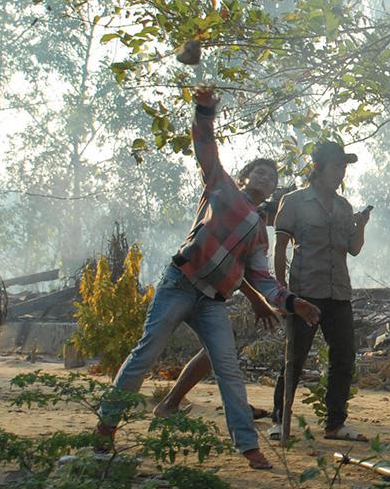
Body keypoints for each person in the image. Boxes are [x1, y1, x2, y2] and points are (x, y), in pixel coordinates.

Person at [95, 87, 321, 469]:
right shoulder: (222, 187)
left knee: (229, 369)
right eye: (260, 171)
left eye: (273, 175)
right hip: (179, 283)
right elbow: (205, 148)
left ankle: (248, 447)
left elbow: (262, 279)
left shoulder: (258, 230)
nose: (266, 177)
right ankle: (107, 424)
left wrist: (289, 301)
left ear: (273, 190)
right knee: (146, 353)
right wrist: (204, 111)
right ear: (247, 175)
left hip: (213, 300)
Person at [153, 193, 290, 420]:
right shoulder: (251, 222)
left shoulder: (255, 225)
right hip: (198, 291)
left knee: (217, 353)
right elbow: (234, 268)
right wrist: (259, 300)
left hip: (213, 292)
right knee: (216, 352)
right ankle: (172, 403)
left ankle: (174, 403)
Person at [271, 139, 370, 441]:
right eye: (337, 165)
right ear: (319, 167)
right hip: (305, 292)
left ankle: (335, 424)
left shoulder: (344, 206)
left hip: (338, 292)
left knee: (344, 357)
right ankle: (279, 420)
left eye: (343, 166)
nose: (341, 171)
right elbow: (280, 248)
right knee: (295, 358)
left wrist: (362, 224)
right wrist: (282, 293)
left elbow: (353, 249)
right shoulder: (295, 201)